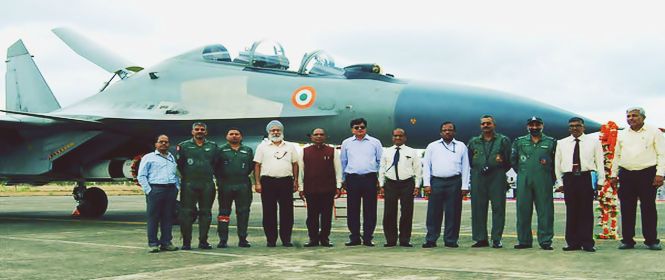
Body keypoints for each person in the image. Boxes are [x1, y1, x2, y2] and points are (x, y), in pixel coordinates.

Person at [610, 107, 664, 250]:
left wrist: (660, 174)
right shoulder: (622, 134)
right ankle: (627, 240)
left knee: (648, 207)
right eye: (628, 116)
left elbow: (662, 154)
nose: (631, 118)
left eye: (634, 116)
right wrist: (613, 175)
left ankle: (651, 240)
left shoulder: (654, 132)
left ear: (643, 118)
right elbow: (616, 155)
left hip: (648, 173)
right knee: (626, 208)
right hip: (626, 174)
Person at [554, 117, 605, 252]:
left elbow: (600, 163)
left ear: (584, 127)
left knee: (586, 211)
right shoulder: (562, 143)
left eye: (577, 125)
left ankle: (587, 242)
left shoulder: (594, 142)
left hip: (585, 177)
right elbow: (557, 164)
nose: (574, 128)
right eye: (571, 126)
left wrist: (601, 181)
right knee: (571, 211)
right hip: (569, 178)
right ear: (569, 128)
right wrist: (559, 182)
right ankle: (572, 242)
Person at [510, 116, 557, 250]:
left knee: (545, 211)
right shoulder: (519, 142)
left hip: (543, 178)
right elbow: (513, 160)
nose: (534, 127)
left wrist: (550, 177)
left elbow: (555, 161)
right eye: (532, 125)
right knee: (523, 210)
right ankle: (524, 240)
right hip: (524, 178)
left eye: (537, 125)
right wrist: (524, 172)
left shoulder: (551, 142)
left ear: (542, 126)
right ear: (527, 127)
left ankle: (545, 241)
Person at [422, 121, 470, 248]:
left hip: (454, 182)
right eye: (444, 130)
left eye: (450, 130)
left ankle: (451, 240)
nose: (447, 132)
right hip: (436, 181)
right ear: (440, 132)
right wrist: (426, 183)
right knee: (433, 213)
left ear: (454, 132)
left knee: (453, 213)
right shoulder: (432, 146)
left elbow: (466, 167)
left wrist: (465, 186)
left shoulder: (461, 146)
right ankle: (431, 239)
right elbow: (426, 165)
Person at [467, 115, 511, 249]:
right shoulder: (474, 141)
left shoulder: (503, 140)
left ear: (494, 125)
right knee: (478, 209)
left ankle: (496, 239)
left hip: (497, 177)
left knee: (498, 208)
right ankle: (481, 239)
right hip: (478, 177)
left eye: (488, 123)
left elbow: (508, 160)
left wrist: (497, 167)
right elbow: (469, 160)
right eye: (483, 124)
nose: (485, 126)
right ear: (480, 126)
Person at [254, 120, 299, 247]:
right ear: (268, 132)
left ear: (282, 132)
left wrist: (295, 181)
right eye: (272, 130)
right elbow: (257, 165)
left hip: (286, 181)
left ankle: (286, 239)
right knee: (269, 211)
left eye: (278, 130)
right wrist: (257, 183)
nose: (275, 132)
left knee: (287, 212)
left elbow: (295, 164)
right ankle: (271, 239)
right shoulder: (262, 147)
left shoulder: (290, 146)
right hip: (268, 182)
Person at [176, 122, 220, 250]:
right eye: (197, 129)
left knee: (205, 213)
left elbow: (216, 164)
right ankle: (186, 242)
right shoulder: (184, 146)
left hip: (207, 184)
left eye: (202, 129)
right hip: (189, 184)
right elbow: (179, 165)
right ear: (192, 132)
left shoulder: (213, 146)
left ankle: (203, 241)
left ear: (206, 132)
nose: (199, 131)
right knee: (187, 213)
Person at [340, 118, 383, 246]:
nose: (359, 129)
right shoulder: (346, 143)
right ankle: (354, 237)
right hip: (352, 179)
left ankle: (368, 237)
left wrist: (379, 180)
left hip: (369, 178)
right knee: (352, 209)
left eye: (362, 127)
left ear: (366, 128)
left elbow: (380, 161)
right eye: (356, 127)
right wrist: (342, 180)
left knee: (370, 209)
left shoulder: (375, 142)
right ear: (352, 129)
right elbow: (343, 162)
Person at [298, 128, 342, 247]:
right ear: (311, 137)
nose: (318, 136)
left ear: (325, 137)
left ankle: (324, 239)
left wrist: (338, 186)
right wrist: (301, 188)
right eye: (316, 134)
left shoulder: (332, 151)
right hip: (310, 189)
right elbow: (301, 171)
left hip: (328, 190)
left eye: (321, 134)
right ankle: (313, 239)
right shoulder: (304, 151)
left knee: (326, 216)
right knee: (312, 217)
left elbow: (338, 170)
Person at [379, 128, 422, 247]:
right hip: (391, 183)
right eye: (395, 136)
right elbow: (382, 169)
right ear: (392, 137)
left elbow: (418, 169)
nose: (398, 138)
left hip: (407, 183)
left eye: (400, 136)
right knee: (389, 212)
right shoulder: (386, 152)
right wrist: (381, 184)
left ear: (405, 138)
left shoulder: (412, 152)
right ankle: (390, 240)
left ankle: (405, 239)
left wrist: (417, 185)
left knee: (407, 212)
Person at [137, 134, 180, 253]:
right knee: (153, 217)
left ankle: (166, 242)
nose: (164, 144)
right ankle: (153, 243)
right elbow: (141, 175)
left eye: (166, 142)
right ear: (156, 144)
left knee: (168, 217)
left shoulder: (171, 157)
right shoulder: (149, 157)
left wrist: (176, 187)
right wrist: (149, 190)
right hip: (155, 189)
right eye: (161, 142)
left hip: (170, 189)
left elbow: (175, 173)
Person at [215, 128, 254, 248]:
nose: (234, 136)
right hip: (225, 185)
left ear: (241, 137)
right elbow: (215, 167)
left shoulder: (247, 150)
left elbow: (250, 167)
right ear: (227, 137)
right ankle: (223, 239)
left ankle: (243, 239)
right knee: (224, 213)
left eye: (237, 134)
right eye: (231, 134)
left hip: (243, 185)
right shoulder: (220, 150)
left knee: (243, 212)